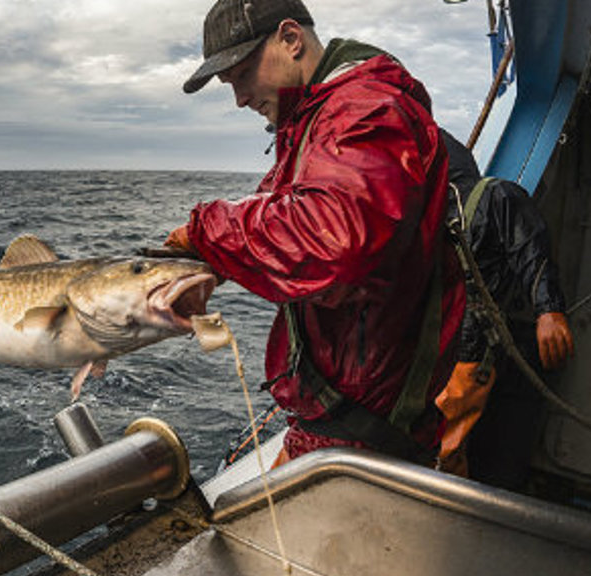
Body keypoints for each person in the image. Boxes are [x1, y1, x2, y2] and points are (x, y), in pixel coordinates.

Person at [166, 0, 465, 465]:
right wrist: (212, 264)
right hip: (333, 425)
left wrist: (208, 229)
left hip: (367, 438)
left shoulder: (365, 108)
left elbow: (332, 240)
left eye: (243, 76)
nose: (239, 99)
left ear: (291, 40)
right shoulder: (316, 120)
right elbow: (281, 216)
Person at [436, 131, 574, 487]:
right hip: (432, 352)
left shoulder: (497, 195)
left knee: (444, 450)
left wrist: (549, 310)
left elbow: (532, 250)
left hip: (469, 355)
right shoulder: (423, 214)